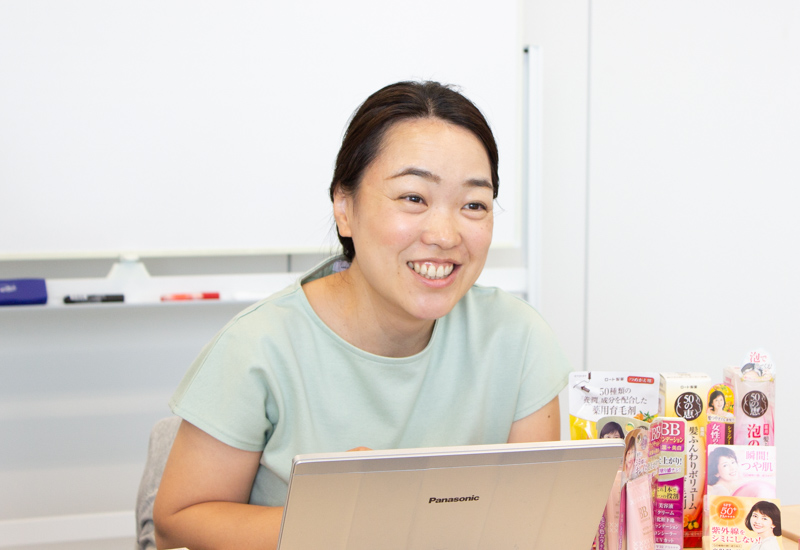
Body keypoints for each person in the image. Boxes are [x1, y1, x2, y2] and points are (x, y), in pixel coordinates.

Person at [153, 81, 571, 550]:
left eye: (474, 204)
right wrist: (337, 520)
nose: (445, 234)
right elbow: (175, 524)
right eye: (413, 198)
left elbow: (534, 521)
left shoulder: (517, 337)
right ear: (344, 208)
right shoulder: (259, 346)